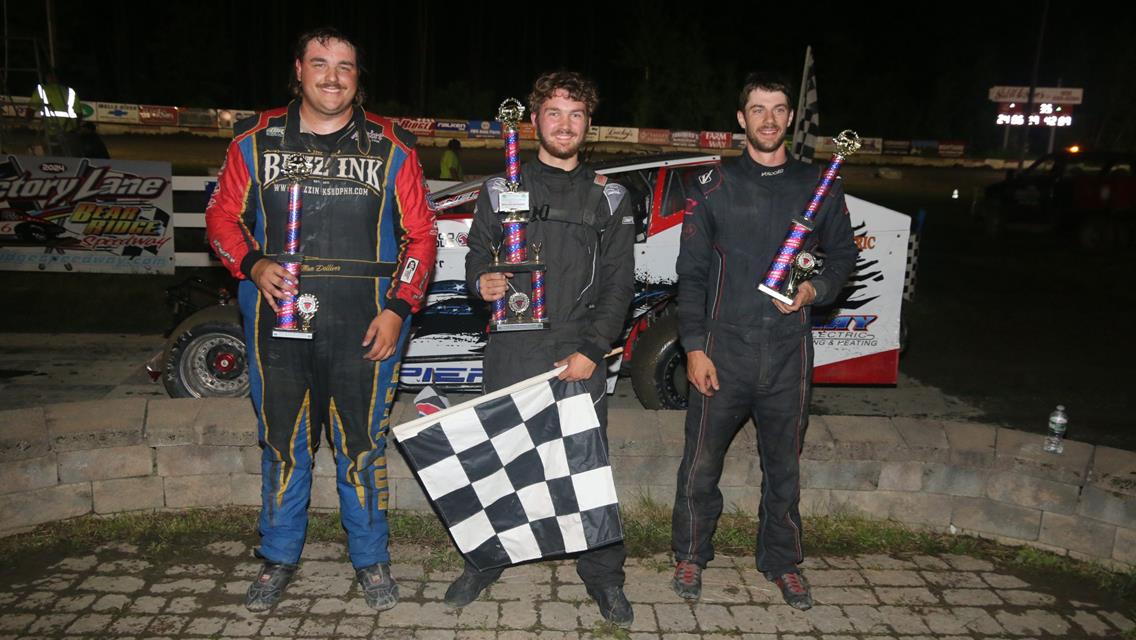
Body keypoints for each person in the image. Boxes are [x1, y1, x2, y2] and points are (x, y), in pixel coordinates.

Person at [205, 27, 437, 613]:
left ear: (359, 78)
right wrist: (253, 264)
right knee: (283, 445)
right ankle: (279, 556)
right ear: (299, 71)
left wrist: (398, 308)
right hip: (275, 323)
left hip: (367, 324)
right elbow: (220, 222)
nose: (333, 76)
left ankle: (371, 557)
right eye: (320, 64)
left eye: (346, 67)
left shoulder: (394, 146)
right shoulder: (253, 142)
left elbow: (422, 236)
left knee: (362, 447)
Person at [450, 71, 636, 627]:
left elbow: (619, 286)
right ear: (534, 121)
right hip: (511, 348)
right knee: (499, 460)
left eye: (576, 115)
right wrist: (480, 280)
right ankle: (486, 560)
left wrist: (595, 348)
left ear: (588, 125)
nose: (564, 124)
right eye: (554, 113)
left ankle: (603, 575)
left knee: (586, 467)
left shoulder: (609, 197)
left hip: (576, 347)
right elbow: (477, 255)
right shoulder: (497, 187)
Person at [669, 72, 857, 610]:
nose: (768, 119)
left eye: (778, 109)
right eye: (757, 109)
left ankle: (782, 561)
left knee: (784, 467)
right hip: (722, 351)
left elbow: (843, 257)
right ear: (741, 119)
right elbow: (693, 276)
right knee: (700, 464)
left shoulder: (819, 185)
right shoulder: (712, 186)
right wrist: (695, 347)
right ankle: (689, 553)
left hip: (788, 351)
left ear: (790, 118)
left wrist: (813, 290)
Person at [29, 70, 80, 156]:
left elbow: (30, 110)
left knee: (50, 158)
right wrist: (75, 129)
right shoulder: (70, 92)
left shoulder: (41, 90)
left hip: (50, 130)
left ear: (48, 78)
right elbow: (79, 114)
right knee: (69, 158)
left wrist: (27, 123)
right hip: (68, 131)